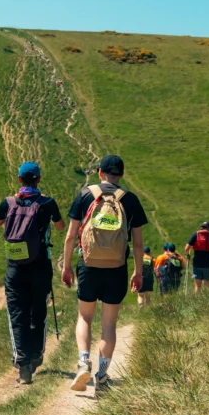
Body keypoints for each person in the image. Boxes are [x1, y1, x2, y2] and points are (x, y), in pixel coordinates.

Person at [61, 154, 148, 393]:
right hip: (117, 268)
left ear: (100, 172)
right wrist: (137, 272)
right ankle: (102, 374)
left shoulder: (85, 195)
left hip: (88, 266)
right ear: (121, 175)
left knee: (85, 317)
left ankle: (82, 363)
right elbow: (138, 244)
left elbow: (71, 236)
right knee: (109, 324)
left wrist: (67, 266)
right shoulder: (129, 200)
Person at [0, 161, 65, 385]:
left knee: (17, 315)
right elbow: (61, 226)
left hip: (15, 267)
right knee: (38, 311)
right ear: (39, 180)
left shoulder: (9, 202)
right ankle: (36, 356)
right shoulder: (47, 203)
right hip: (41, 265)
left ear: (19, 179)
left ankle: (23, 367)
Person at [185, 221, 209, 292]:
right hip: (208, 263)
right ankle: (207, 300)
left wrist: (188, 255)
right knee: (207, 284)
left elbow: (186, 248)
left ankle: (196, 300)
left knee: (197, 285)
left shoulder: (195, 234)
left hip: (197, 263)